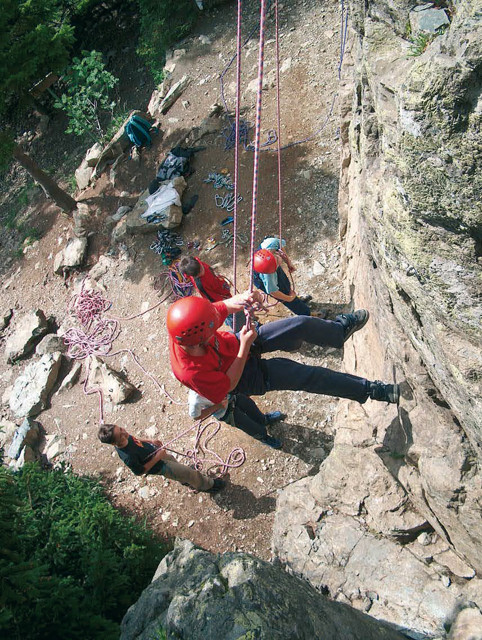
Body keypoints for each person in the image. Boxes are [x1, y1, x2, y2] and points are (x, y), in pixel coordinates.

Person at [167, 292, 400, 408]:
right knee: (309, 376)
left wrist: (244, 299)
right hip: (245, 376)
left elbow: (224, 307)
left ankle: (338, 331)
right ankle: (370, 390)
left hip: (235, 345)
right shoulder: (190, 371)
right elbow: (229, 385)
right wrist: (245, 347)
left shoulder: (191, 323)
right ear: (199, 341)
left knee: (299, 324)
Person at [97, 423, 225, 492]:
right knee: (189, 472)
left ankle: (185, 480)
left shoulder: (123, 437)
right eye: (121, 435)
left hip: (157, 454)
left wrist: (150, 441)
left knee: (177, 465)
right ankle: (209, 485)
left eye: (121, 429)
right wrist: (158, 457)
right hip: (159, 466)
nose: (125, 433)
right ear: (114, 443)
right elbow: (140, 471)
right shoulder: (127, 457)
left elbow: (134, 439)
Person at [188, 389, 284, 449]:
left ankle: (264, 420)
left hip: (234, 395)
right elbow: (196, 416)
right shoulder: (195, 400)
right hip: (225, 412)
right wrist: (217, 406)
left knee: (251, 406)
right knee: (250, 426)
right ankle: (264, 437)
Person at [178, 255, 245, 331]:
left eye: (201, 267)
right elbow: (213, 299)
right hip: (222, 299)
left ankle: (240, 320)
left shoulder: (197, 262)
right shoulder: (201, 285)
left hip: (221, 289)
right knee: (234, 314)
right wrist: (226, 302)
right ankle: (241, 328)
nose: (202, 270)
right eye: (199, 272)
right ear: (194, 276)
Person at [253, 238, 312, 316]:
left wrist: (288, 262)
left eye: (277, 262)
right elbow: (273, 292)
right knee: (285, 293)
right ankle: (307, 314)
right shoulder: (269, 275)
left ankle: (297, 300)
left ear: (276, 254)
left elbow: (280, 246)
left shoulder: (270, 243)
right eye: (276, 266)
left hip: (264, 267)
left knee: (286, 285)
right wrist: (289, 299)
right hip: (261, 278)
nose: (279, 265)